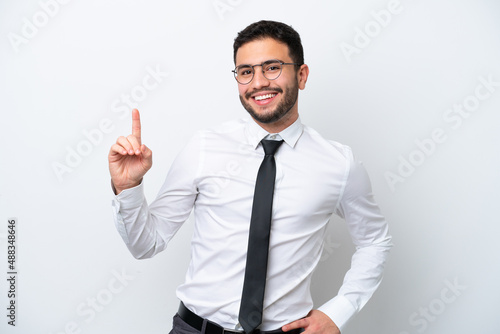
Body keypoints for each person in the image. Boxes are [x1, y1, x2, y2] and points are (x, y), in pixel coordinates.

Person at [108, 20, 392, 334]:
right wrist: (128, 187)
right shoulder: (205, 148)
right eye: (246, 71)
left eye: (272, 67)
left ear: (301, 75)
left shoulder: (339, 164)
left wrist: (339, 311)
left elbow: (375, 240)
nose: (258, 83)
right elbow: (145, 244)